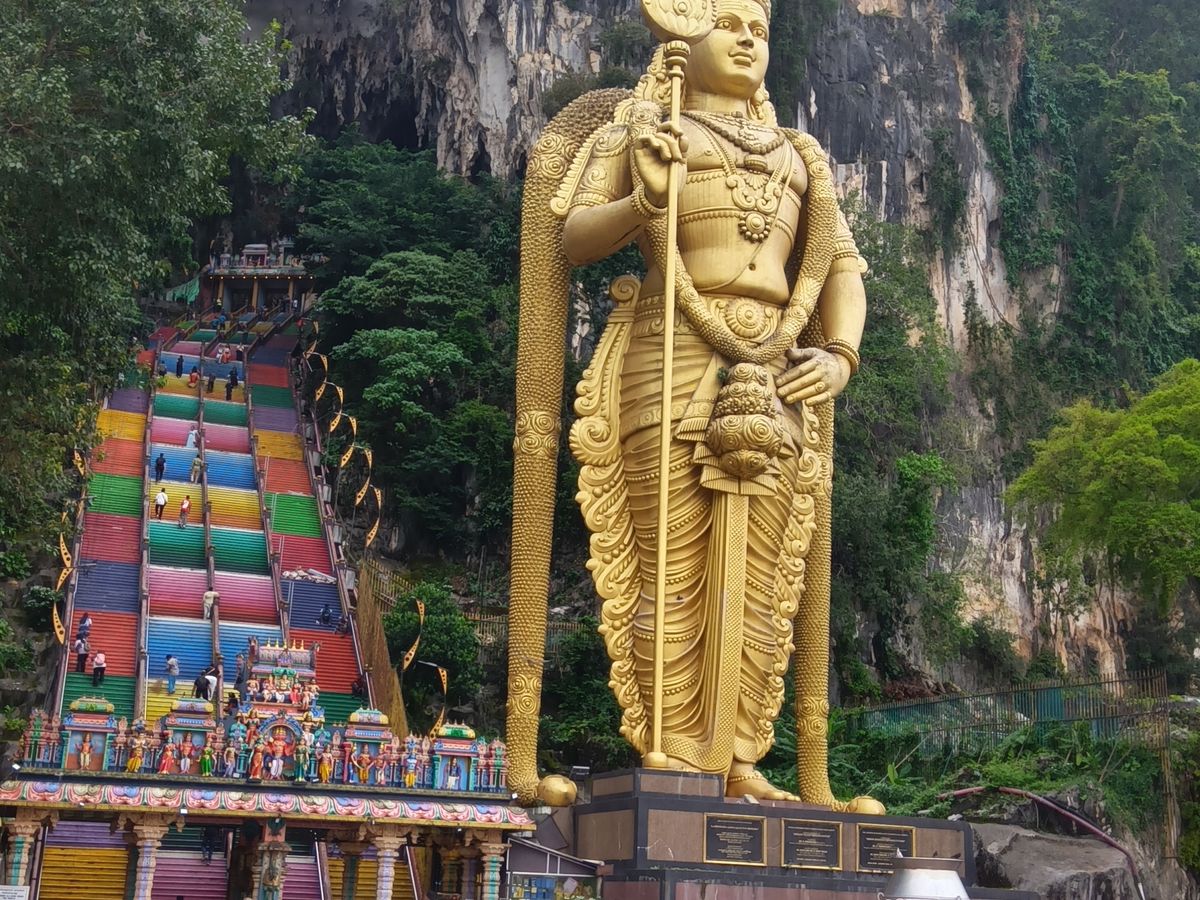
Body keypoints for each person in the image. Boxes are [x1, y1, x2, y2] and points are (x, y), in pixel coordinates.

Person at [507, 0, 874, 808]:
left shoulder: (800, 157)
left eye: (760, 30)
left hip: (778, 370)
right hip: (669, 353)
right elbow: (572, 237)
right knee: (669, 563)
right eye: (730, 24)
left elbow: (842, 267)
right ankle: (673, 747)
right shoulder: (647, 128)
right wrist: (644, 199)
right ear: (685, 31)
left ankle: (740, 758)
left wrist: (840, 354)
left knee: (764, 577)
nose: (747, 40)